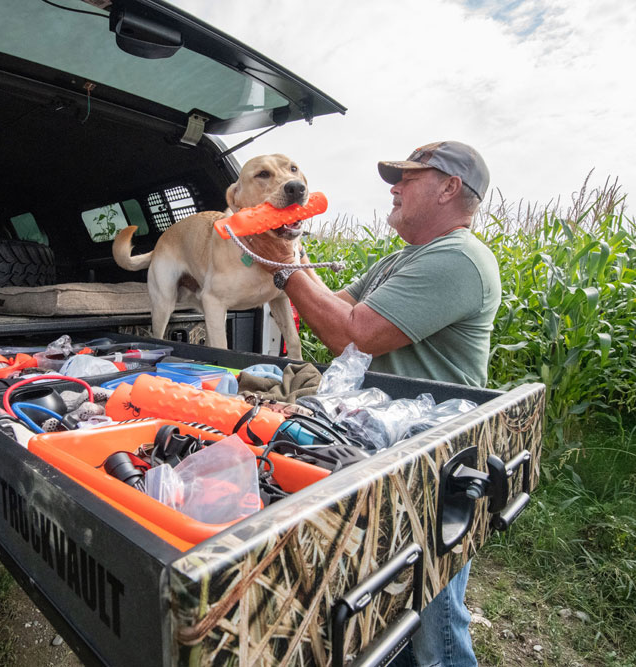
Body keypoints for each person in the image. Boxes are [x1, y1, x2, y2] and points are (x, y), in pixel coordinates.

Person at [254, 140, 500, 667]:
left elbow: (358, 334)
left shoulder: (458, 259)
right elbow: (334, 314)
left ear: (449, 188)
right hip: (387, 442)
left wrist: (283, 268)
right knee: (390, 601)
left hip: (435, 458)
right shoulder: (403, 258)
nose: (394, 186)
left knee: (437, 622)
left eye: (407, 178)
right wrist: (289, 251)